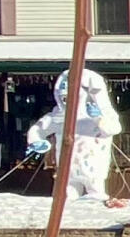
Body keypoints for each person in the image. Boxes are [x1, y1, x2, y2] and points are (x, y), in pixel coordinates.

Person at [24, 66, 122, 206]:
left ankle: (96, 214)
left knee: (96, 194)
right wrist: (36, 141)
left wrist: (99, 119)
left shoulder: (101, 111)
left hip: (94, 165)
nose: (66, 99)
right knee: (66, 198)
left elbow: (114, 128)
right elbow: (38, 129)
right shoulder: (58, 115)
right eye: (63, 95)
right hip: (67, 167)